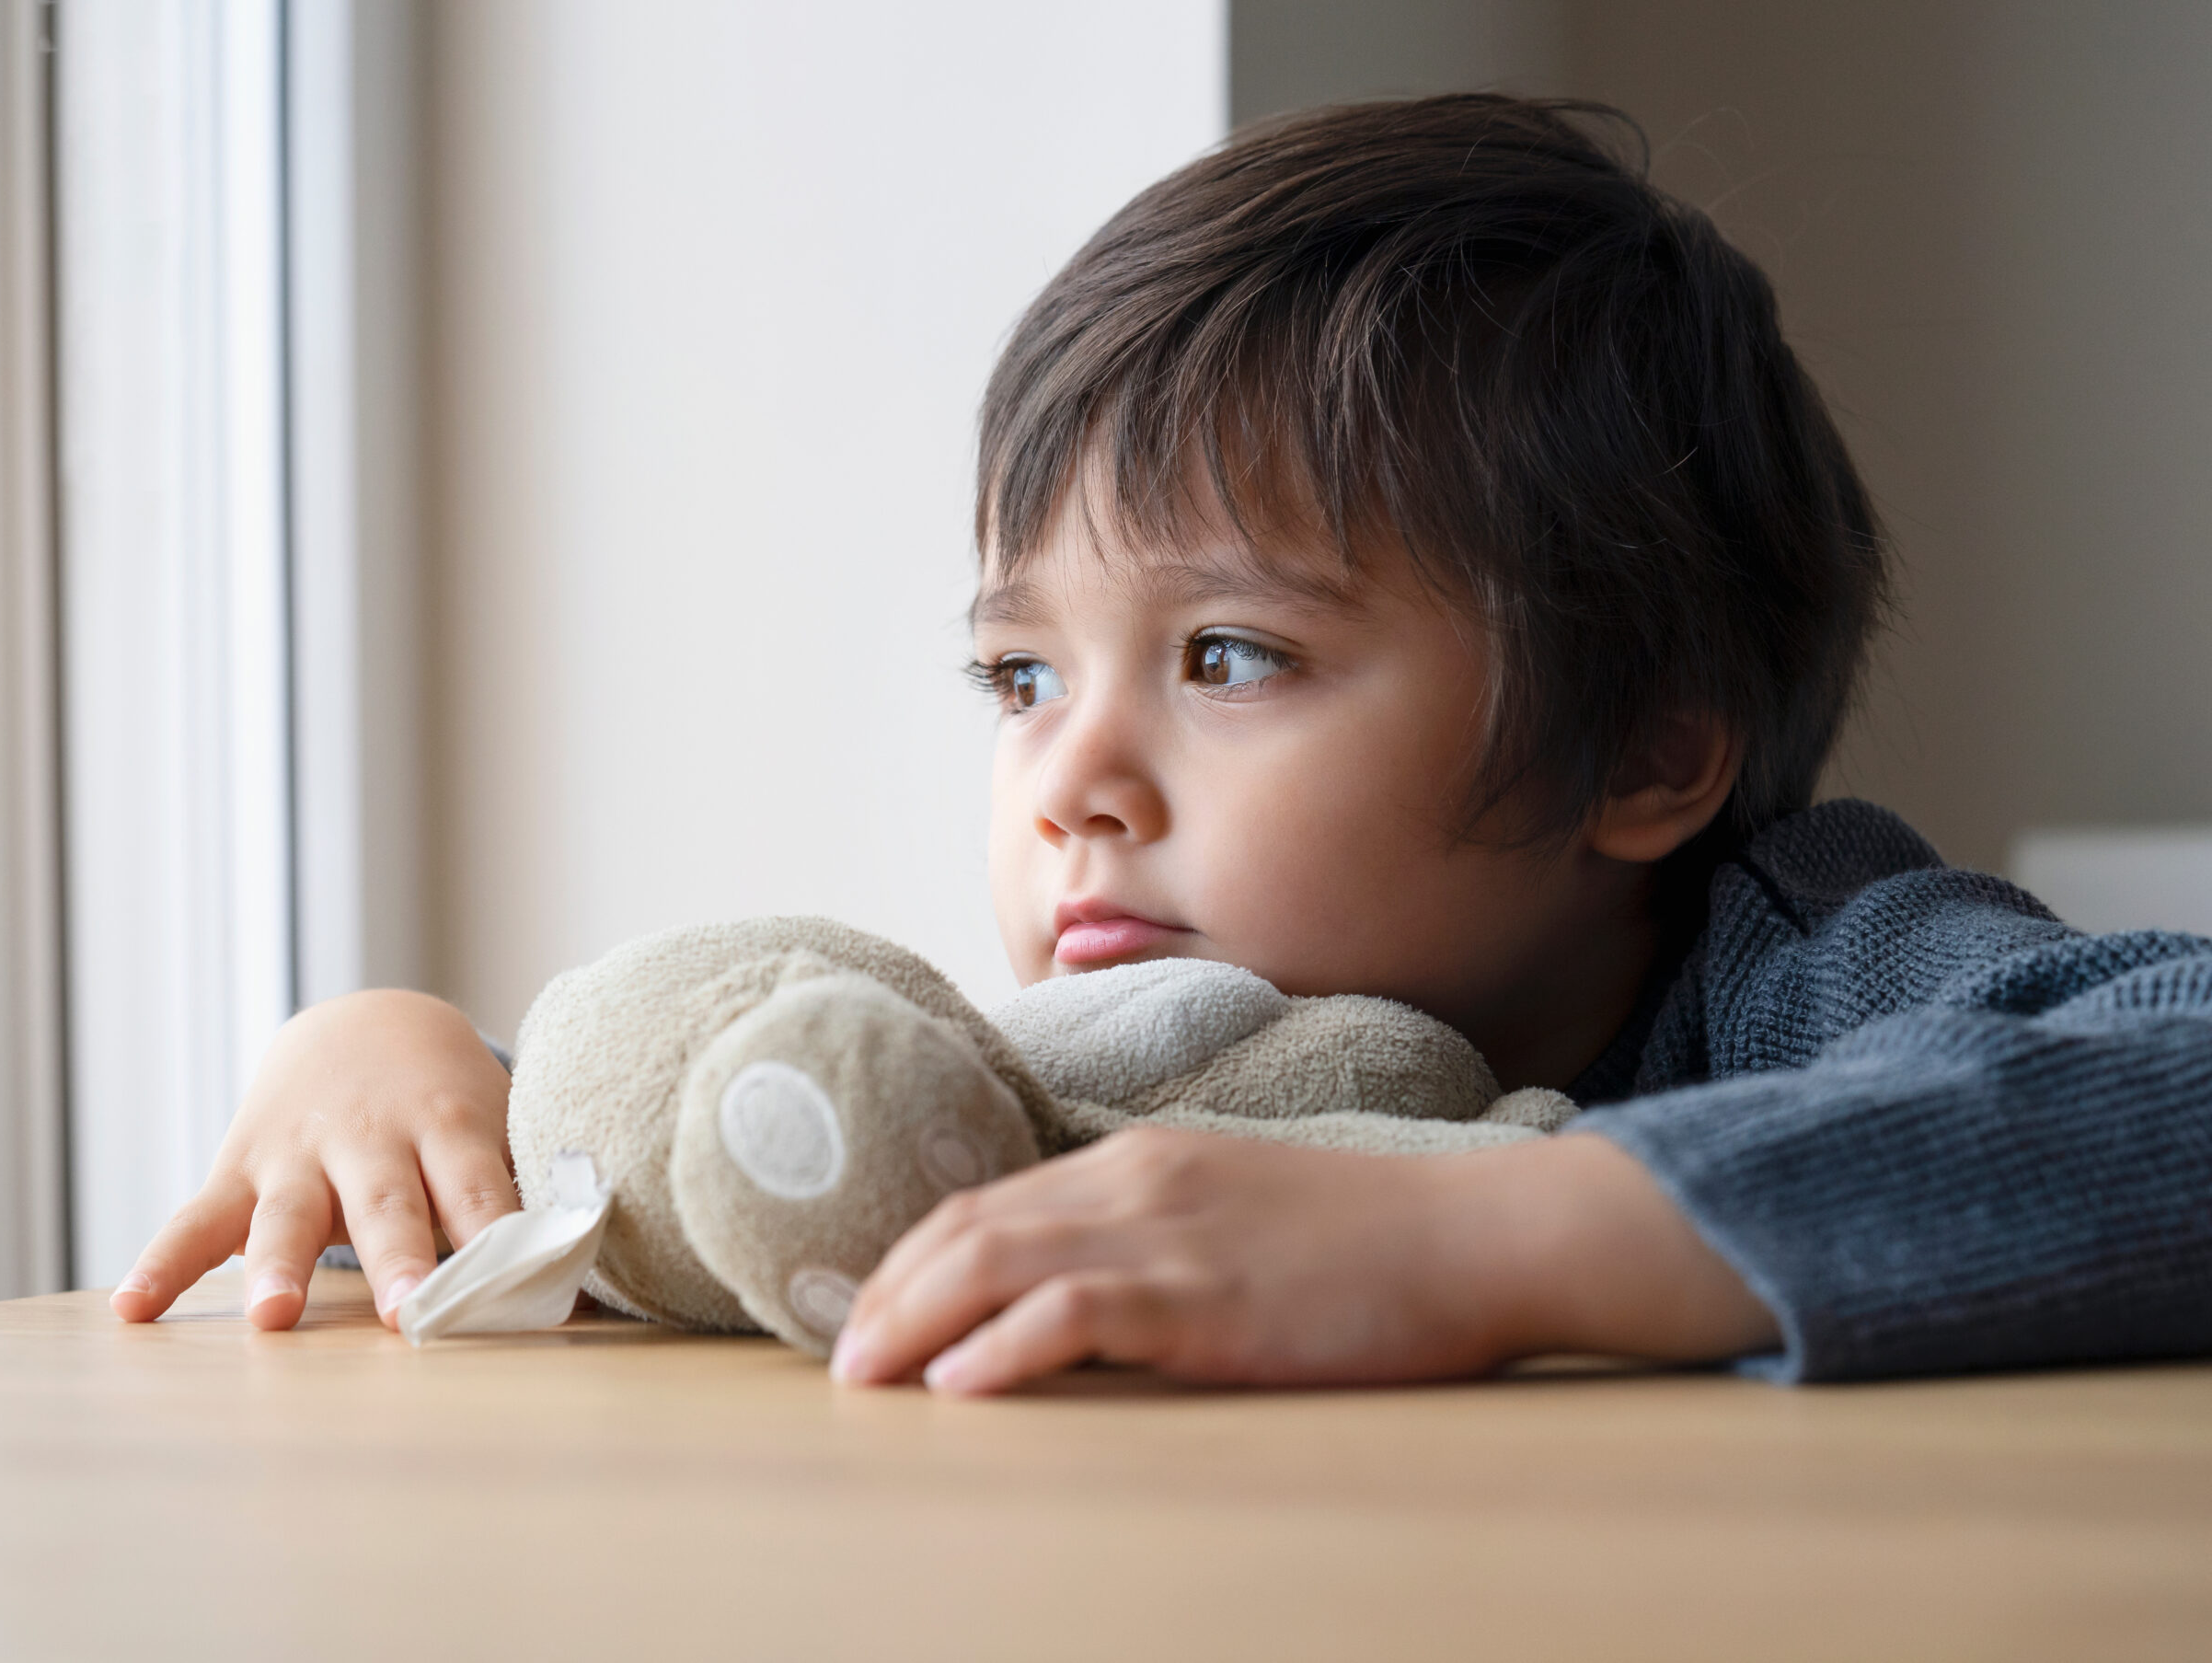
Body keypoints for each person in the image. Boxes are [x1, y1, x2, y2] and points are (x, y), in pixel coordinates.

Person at [109, 96, 2212, 1393]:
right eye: (1017, 678)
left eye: (1222, 656)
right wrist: (425, 1082)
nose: (1065, 784)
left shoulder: (1799, 959)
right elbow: (748, 1143)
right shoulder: (1107, 1064)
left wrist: (1488, 1243)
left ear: (1638, 756)